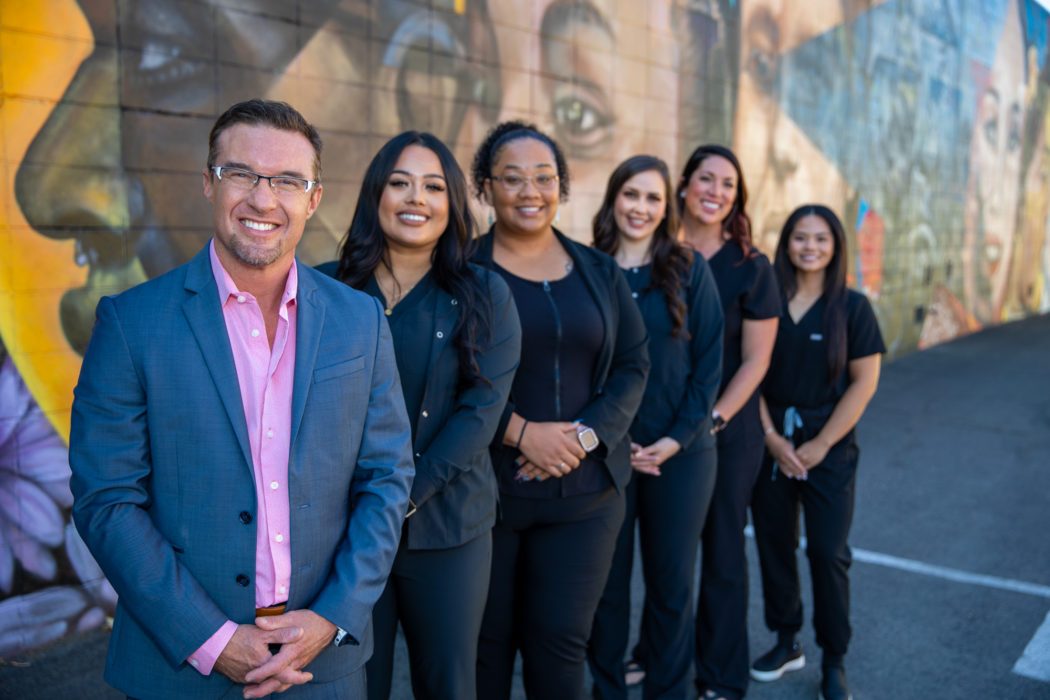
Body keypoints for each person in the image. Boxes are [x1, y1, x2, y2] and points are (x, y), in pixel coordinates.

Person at [68, 99, 415, 699]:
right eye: (242, 174)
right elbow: (106, 500)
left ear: (313, 198)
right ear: (209, 183)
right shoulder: (131, 324)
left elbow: (388, 477)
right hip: (177, 666)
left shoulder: (361, 321)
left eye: (287, 181)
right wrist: (212, 638)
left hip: (320, 665)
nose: (263, 198)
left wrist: (333, 616)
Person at [318, 131, 521, 700]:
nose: (416, 198)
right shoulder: (324, 288)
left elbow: (480, 414)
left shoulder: (486, 294)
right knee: (352, 683)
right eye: (400, 183)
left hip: (448, 526)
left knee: (448, 683)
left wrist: (399, 496)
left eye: (433, 186)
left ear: (452, 202)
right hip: (343, 529)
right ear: (375, 195)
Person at [469, 121, 650, 700]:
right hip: (486, 497)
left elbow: (633, 364)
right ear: (486, 187)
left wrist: (583, 438)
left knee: (561, 647)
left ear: (562, 186)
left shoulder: (598, 271)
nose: (530, 191)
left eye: (544, 177)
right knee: (484, 647)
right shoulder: (462, 272)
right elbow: (441, 378)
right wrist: (521, 433)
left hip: (586, 497)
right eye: (512, 178)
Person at [587, 155, 724, 700]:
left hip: (681, 456)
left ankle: (669, 691)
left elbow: (709, 366)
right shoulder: (588, 268)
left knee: (670, 587)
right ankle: (607, 691)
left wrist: (675, 440)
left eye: (652, 198)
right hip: (606, 457)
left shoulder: (690, 268)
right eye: (630, 195)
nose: (639, 208)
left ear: (667, 208)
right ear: (613, 199)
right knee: (606, 589)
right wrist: (605, 440)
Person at [749, 205, 884, 700]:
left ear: (835, 246)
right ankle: (787, 641)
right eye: (799, 238)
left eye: (821, 239)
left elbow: (864, 382)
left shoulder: (852, 307)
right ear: (786, 243)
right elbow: (751, 371)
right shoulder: (767, 301)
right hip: (770, 446)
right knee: (774, 547)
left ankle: (834, 658)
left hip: (829, 451)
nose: (809, 247)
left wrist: (821, 445)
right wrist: (771, 439)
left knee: (828, 553)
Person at [678, 144, 781, 700]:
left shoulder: (751, 267)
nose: (715, 191)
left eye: (728, 184)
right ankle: (656, 656)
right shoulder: (658, 252)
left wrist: (711, 418)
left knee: (721, 552)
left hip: (725, 429)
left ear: (737, 198)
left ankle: (720, 676)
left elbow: (757, 360)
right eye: (706, 178)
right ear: (685, 184)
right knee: (665, 557)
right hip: (661, 429)